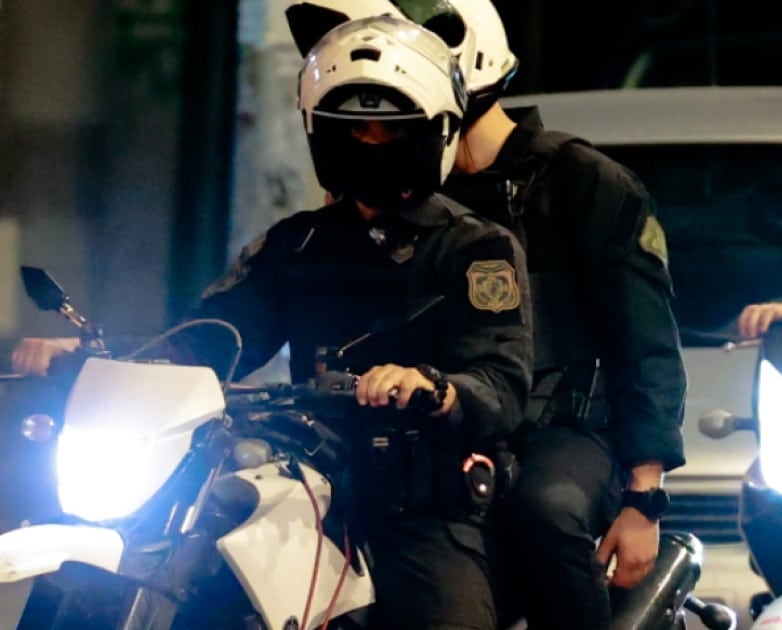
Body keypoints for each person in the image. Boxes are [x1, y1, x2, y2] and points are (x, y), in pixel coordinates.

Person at [13, 16, 532, 629]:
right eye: (354, 129)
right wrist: (92, 356)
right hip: (306, 478)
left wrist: (432, 386)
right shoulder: (297, 244)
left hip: (420, 505)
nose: (371, 143)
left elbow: (500, 381)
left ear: (433, 132)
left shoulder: (475, 248)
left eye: (390, 129)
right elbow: (210, 339)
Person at [283, 2, 688, 628]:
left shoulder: (583, 181)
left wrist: (644, 498)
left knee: (545, 510)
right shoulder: (398, 189)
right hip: (432, 429)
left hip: (557, 432)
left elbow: (645, 345)